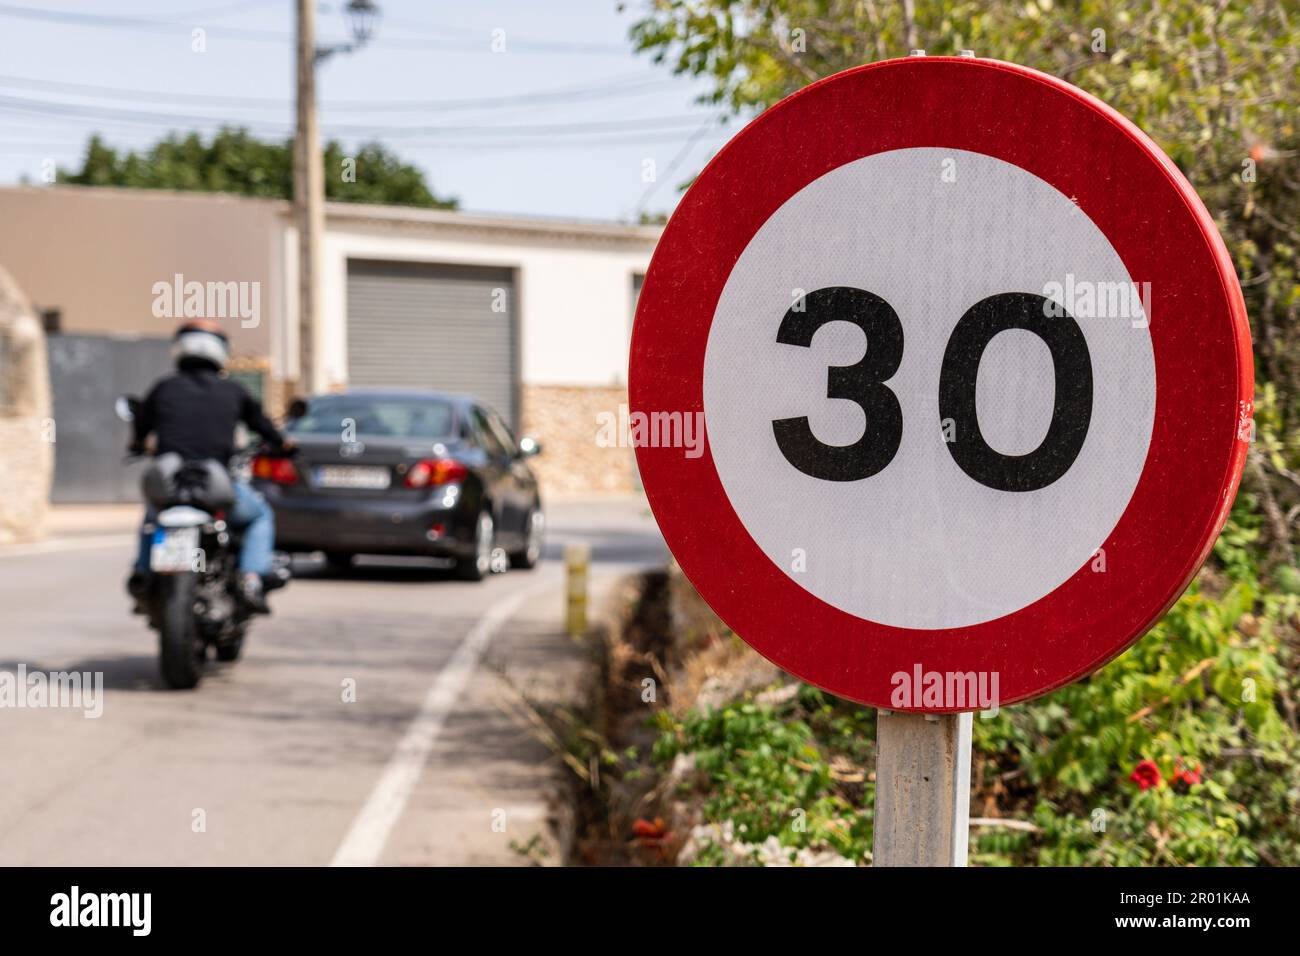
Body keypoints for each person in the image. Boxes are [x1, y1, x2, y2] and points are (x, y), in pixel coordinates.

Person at [127, 319, 290, 613]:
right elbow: (263, 426)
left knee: (152, 517)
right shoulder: (234, 391)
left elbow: (141, 427)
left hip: (171, 485)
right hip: (216, 484)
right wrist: (285, 446)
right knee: (259, 515)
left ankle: (142, 573)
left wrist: (137, 444)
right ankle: (251, 576)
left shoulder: (164, 388)